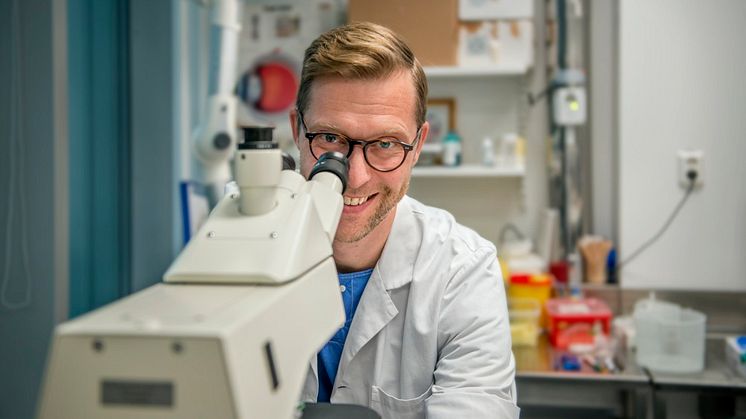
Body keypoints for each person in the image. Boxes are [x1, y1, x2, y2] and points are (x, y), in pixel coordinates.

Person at [289, 22, 519, 419]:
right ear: (297, 130)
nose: (355, 177)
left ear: (418, 146)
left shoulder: (462, 270)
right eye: (329, 138)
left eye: (385, 144)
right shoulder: (239, 245)